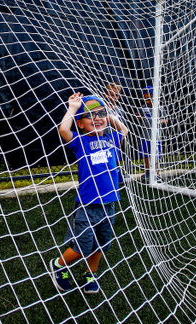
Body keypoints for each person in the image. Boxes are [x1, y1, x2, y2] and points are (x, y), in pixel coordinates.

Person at [51, 93, 128, 294]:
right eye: (90, 116)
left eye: (100, 114)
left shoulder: (112, 139)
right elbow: (63, 129)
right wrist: (73, 107)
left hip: (109, 204)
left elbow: (124, 129)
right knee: (81, 246)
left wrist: (107, 113)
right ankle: (59, 265)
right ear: (81, 124)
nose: (97, 118)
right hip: (88, 205)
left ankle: (90, 273)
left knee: (101, 245)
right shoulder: (80, 142)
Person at [137, 86, 168, 182]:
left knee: (155, 155)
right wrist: (139, 117)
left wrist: (159, 121)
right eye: (146, 98)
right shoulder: (143, 108)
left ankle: (157, 173)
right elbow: (139, 116)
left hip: (155, 137)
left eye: (149, 98)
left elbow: (166, 120)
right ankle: (148, 172)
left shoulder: (160, 107)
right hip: (145, 136)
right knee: (146, 155)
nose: (147, 101)